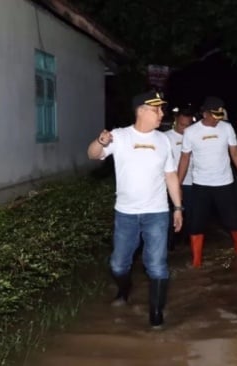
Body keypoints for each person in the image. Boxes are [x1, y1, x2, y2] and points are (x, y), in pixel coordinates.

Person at [87, 90, 183, 328]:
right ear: (141, 110)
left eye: (161, 109)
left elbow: (170, 175)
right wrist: (100, 142)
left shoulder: (163, 140)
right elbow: (92, 155)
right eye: (156, 109)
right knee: (118, 264)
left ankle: (156, 317)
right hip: (126, 214)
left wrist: (179, 207)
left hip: (157, 213)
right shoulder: (119, 136)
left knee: (157, 264)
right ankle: (124, 290)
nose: (162, 113)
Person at [177, 96, 237, 267]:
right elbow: (184, 159)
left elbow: (235, 153)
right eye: (214, 115)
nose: (217, 119)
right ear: (205, 113)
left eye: (220, 115)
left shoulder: (227, 128)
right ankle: (196, 259)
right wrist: (177, 185)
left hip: (224, 183)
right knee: (196, 223)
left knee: (232, 219)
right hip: (201, 184)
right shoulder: (191, 132)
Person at [165, 104, 195, 250]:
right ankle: (170, 244)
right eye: (182, 125)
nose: (184, 129)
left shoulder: (193, 136)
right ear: (176, 120)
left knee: (190, 215)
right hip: (171, 182)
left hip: (191, 182)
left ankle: (188, 244)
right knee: (171, 214)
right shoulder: (166, 138)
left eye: (188, 126)